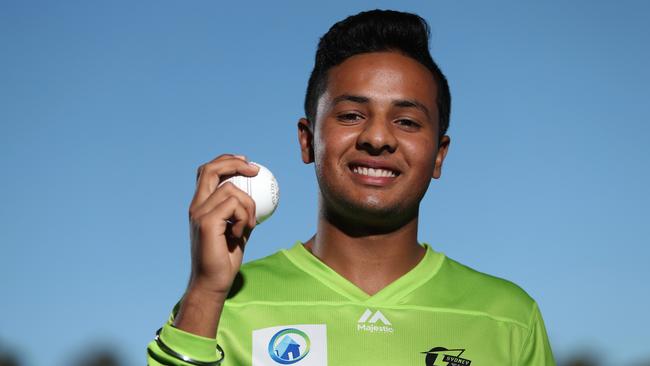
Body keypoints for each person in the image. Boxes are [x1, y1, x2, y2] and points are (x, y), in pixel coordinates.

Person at [147, 9, 555, 366]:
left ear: (439, 155)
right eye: (351, 115)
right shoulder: (222, 305)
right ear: (307, 141)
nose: (377, 138)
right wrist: (205, 290)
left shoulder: (509, 318)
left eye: (407, 121)